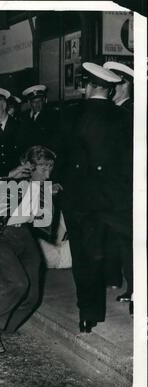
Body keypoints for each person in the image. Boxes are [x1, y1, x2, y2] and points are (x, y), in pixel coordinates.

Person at [60, 62, 131, 333]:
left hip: (80, 200)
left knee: (85, 257)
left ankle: (89, 315)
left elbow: (61, 158)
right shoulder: (123, 117)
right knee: (117, 248)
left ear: (88, 87)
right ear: (110, 91)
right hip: (114, 199)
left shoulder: (70, 115)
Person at [0, 145, 58, 353]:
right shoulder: (11, 182)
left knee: (32, 296)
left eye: (50, 168)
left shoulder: (43, 188)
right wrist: (9, 177)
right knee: (18, 282)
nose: (48, 173)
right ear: (29, 167)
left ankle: (6, 325)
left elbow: (42, 222)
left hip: (22, 234)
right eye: (43, 168)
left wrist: (49, 196)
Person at [103, 61, 134, 306]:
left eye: (114, 84)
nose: (110, 89)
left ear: (124, 84)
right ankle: (120, 278)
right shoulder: (116, 111)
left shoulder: (129, 112)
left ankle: (135, 288)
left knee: (129, 239)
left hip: (126, 187)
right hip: (116, 187)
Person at [21, 84, 60, 153]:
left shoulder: (51, 116)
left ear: (44, 101)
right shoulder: (24, 117)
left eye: (39, 101)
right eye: (34, 102)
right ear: (29, 103)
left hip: (44, 154)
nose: (37, 104)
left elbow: (54, 139)